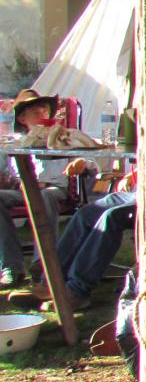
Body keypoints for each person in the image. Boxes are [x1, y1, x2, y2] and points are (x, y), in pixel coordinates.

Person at [0, 89, 95, 288]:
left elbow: (90, 158)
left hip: (54, 189)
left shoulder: (64, 136)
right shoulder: (16, 141)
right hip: (22, 190)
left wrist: (82, 163)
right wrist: (14, 181)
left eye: (44, 109)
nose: (42, 113)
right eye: (35, 111)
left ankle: (43, 265)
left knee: (45, 196)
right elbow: (5, 171)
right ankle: (11, 267)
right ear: (23, 118)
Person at [30, 187, 135, 312]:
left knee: (111, 217)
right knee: (84, 214)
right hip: (138, 192)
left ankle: (77, 291)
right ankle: (52, 283)